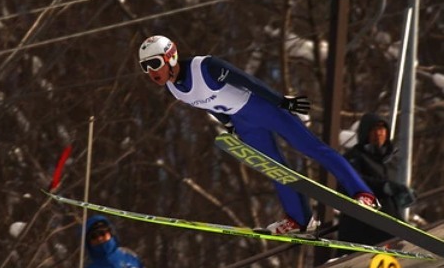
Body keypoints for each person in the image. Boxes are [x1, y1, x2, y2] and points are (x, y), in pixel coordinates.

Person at [138, 35, 379, 234]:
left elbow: (247, 80)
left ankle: (364, 193)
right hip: (244, 123)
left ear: (171, 57)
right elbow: (208, 104)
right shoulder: (173, 89)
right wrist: (229, 126)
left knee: (312, 148)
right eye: (145, 67)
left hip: (263, 108)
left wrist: (282, 102)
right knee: (274, 169)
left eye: (154, 64)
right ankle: (300, 219)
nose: (151, 72)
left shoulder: (205, 67)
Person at [338, 113, 415, 244]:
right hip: (360, 226)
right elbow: (351, 182)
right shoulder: (354, 157)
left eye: (382, 129)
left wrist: (400, 195)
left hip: (387, 224)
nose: (378, 133)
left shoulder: (389, 160)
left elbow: (388, 194)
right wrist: (385, 187)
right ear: (365, 133)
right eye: (373, 129)